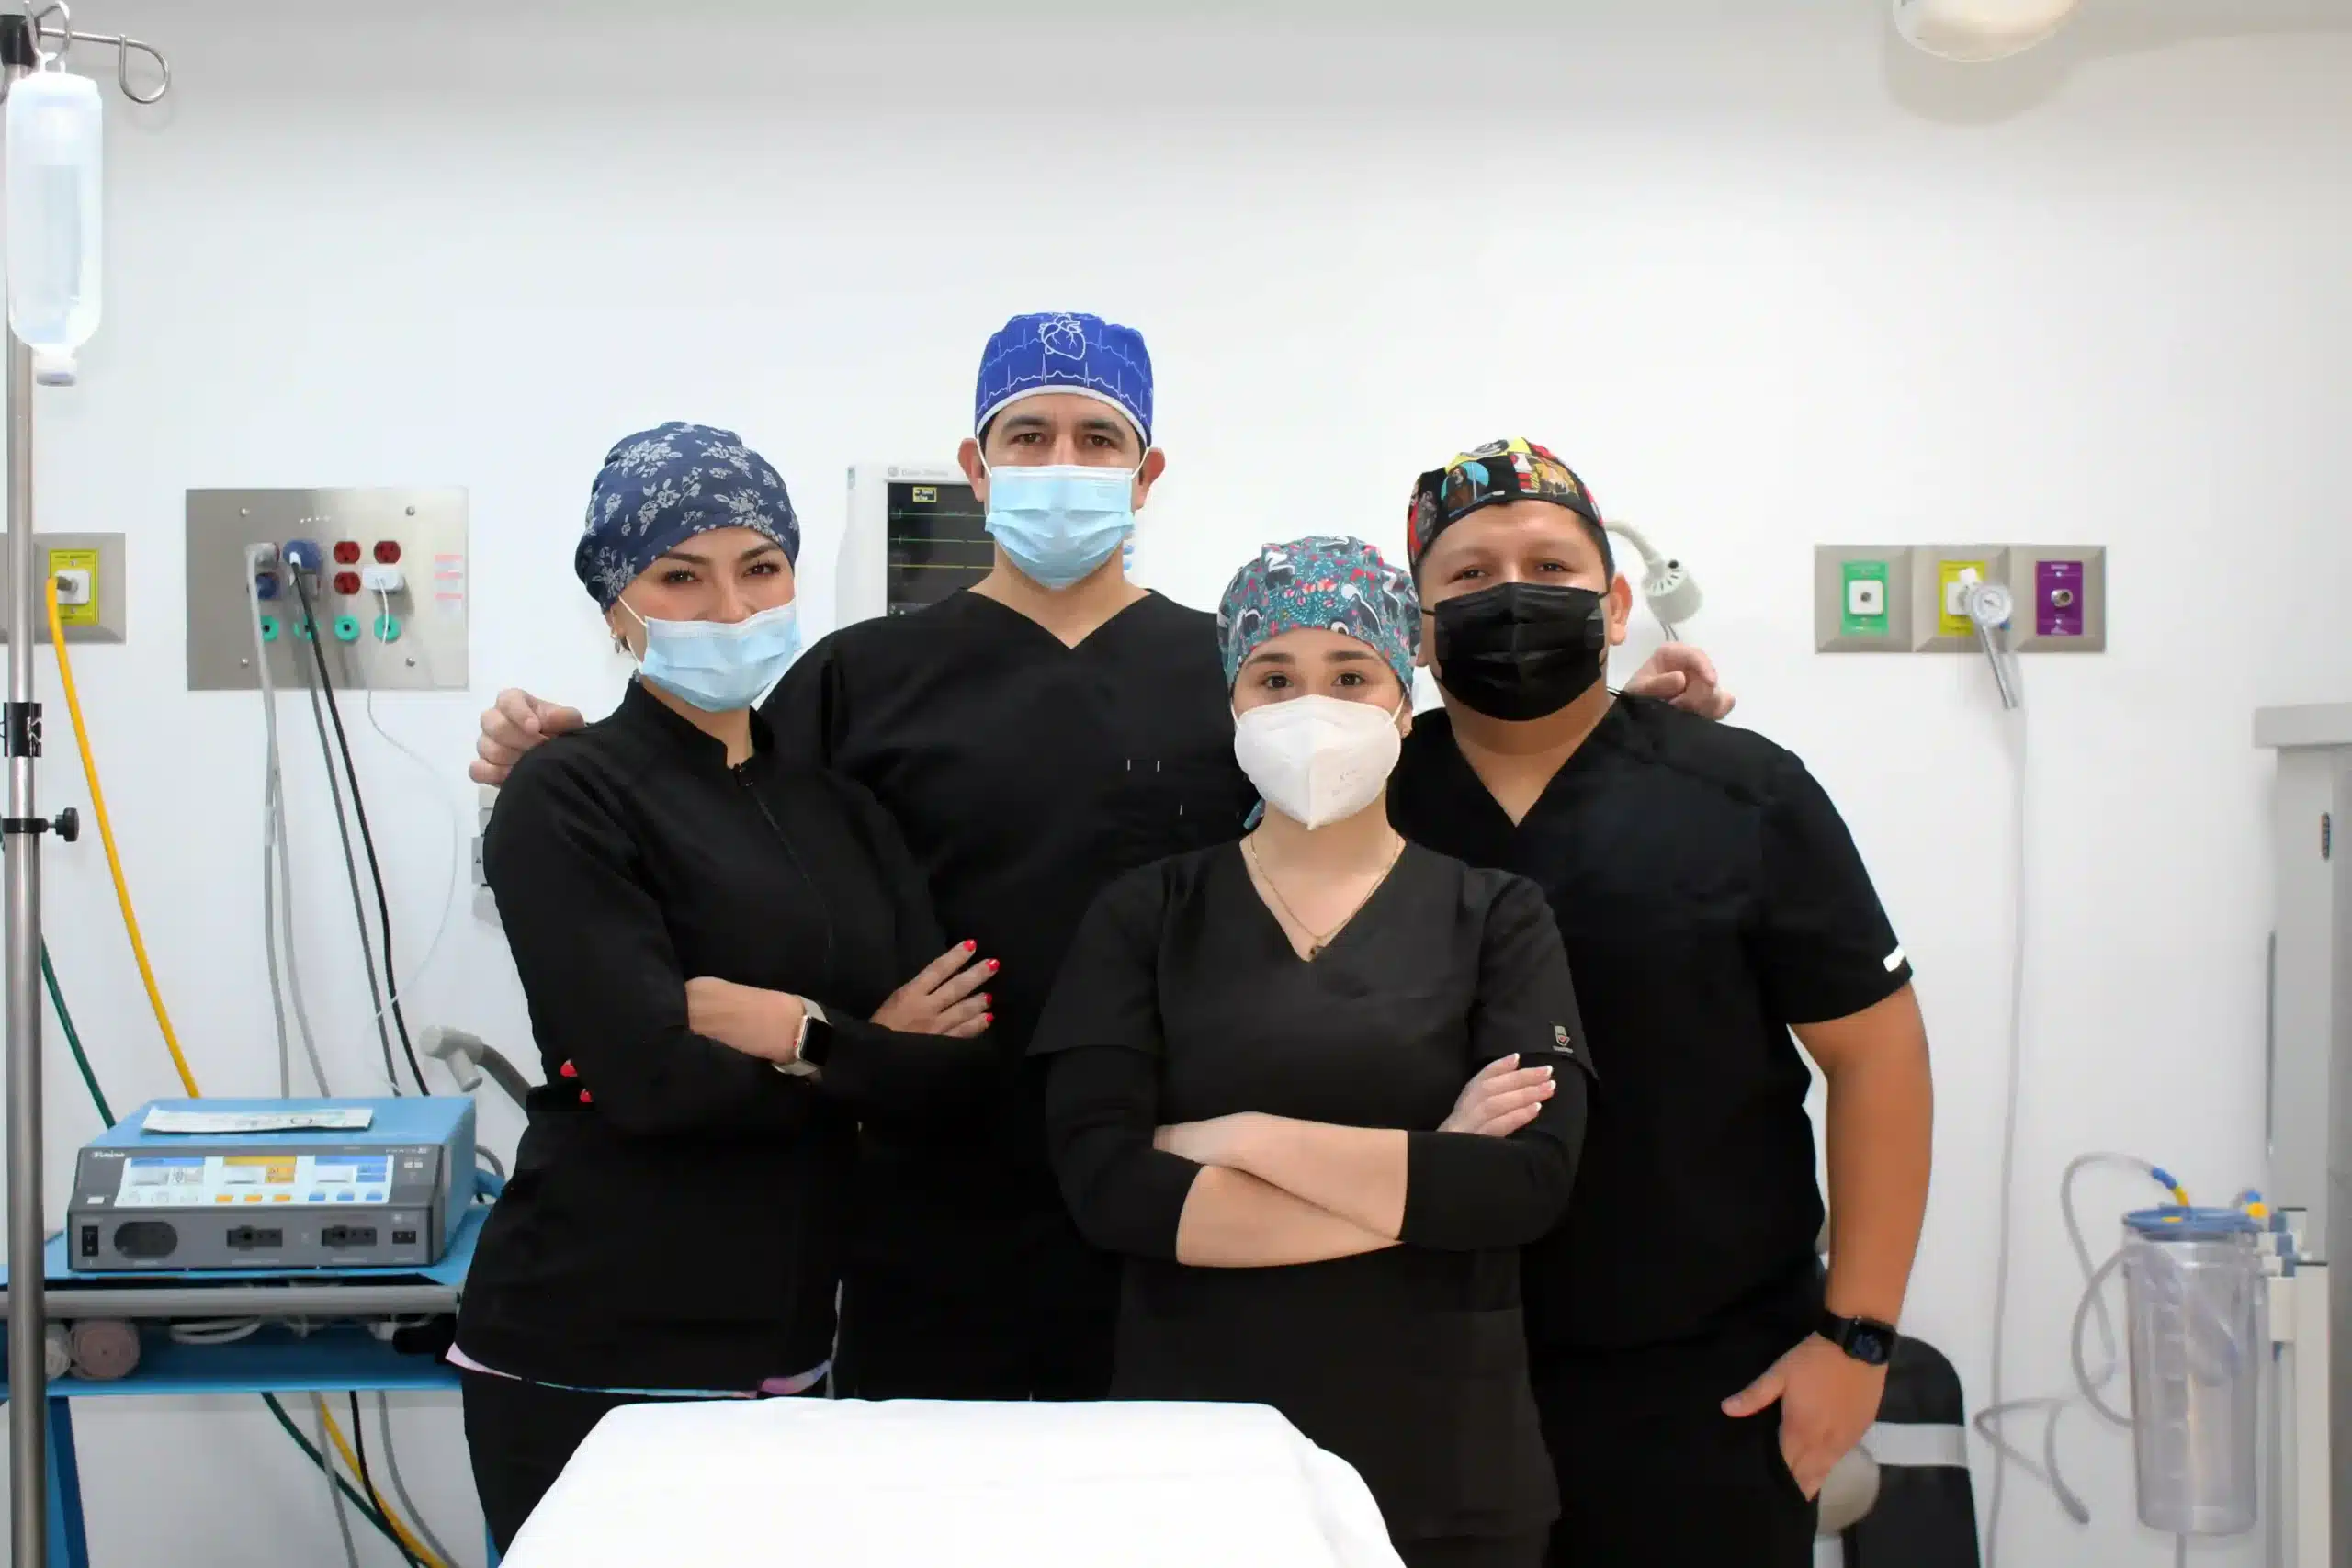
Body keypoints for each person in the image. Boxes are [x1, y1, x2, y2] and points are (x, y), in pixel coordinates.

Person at [465, 315, 1733, 1401]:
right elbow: (720, 816)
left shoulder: (1244, 672)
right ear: (976, 465)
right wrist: (556, 750)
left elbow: (1411, 799)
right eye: (1028, 436)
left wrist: (1619, 730)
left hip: (1182, 1188)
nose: (1061, 463)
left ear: (1147, 467)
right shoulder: (858, 675)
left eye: (1096, 438)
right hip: (922, 1207)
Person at [1385, 439, 1934, 1568]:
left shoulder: (1741, 792)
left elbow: (1878, 1058)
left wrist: (1857, 1340)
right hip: (1405, 1371)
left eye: (1549, 563)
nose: (1513, 595)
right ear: (1419, 623)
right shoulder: (1361, 800)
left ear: (1618, 598)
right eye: (1470, 576)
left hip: (1702, 1390)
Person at [455, 423, 995, 1551]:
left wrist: (785, 1027)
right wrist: (862, 1044)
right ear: (616, 608)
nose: (732, 605)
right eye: (679, 577)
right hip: (591, 1348)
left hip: (789, 1345)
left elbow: (952, 1071)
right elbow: (649, 1081)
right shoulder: (567, 797)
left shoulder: (841, 810)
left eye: (760, 567)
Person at [1033, 537, 1593, 1568]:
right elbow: (1110, 1191)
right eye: (1274, 677)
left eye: (1348, 675)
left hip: (1442, 1467)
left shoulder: (1496, 915)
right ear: (1232, 703)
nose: (1311, 704)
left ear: (1401, 700)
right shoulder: (1147, 914)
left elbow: (1522, 1186)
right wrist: (1425, 1180)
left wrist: (1243, 1138)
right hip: (1195, 1464)